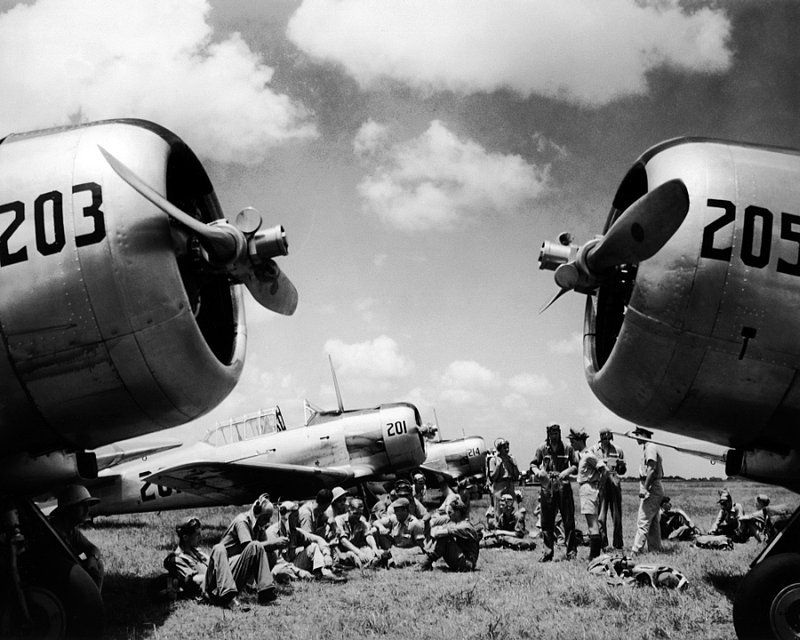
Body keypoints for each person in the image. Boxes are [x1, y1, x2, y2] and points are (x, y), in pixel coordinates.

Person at [164, 516, 275, 608]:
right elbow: (194, 580)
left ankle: (265, 592)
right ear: (185, 537)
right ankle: (227, 595)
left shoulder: (198, 552)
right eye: (197, 535)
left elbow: (221, 565)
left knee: (255, 546)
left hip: (223, 583)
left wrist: (227, 570)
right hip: (208, 591)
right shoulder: (176, 559)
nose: (200, 538)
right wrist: (221, 574)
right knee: (219, 548)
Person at [530, 423, 579, 562]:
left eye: (556, 432)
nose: (554, 435)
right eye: (551, 433)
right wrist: (538, 472)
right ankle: (547, 553)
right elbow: (533, 464)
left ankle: (571, 553)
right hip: (548, 486)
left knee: (568, 520)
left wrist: (566, 471)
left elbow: (575, 465)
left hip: (563, 484)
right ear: (548, 434)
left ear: (559, 433)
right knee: (547, 521)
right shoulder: (542, 448)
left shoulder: (567, 448)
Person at [217, 493, 278, 601]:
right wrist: (274, 543)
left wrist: (275, 546)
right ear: (258, 513)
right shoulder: (242, 522)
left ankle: (255, 588)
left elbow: (263, 548)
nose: (268, 521)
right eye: (266, 517)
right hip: (226, 565)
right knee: (255, 546)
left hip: (239, 561)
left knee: (271, 555)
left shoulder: (259, 526)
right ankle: (264, 590)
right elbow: (250, 548)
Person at [264, 501, 344, 582]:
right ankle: (304, 576)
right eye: (294, 517)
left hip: (292, 565)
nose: (297, 519)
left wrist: (326, 554)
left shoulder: (295, 531)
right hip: (279, 567)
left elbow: (317, 539)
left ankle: (324, 574)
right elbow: (278, 561)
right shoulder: (273, 533)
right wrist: (299, 571)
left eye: (297, 516)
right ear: (287, 518)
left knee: (313, 546)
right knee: (279, 572)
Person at [48, 484, 104, 591]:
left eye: (88, 505)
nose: (87, 510)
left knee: (98, 564)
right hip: (56, 582)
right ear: (69, 509)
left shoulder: (71, 530)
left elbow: (93, 549)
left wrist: (92, 558)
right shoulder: (53, 532)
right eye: (83, 505)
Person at [571, 427, 606, 559]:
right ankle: (594, 554)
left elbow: (604, 470)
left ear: (579, 440)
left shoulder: (588, 455)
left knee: (592, 525)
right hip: (586, 487)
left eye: (573, 441)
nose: (571, 444)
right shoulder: (583, 456)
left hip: (589, 490)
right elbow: (583, 477)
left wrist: (600, 486)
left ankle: (594, 556)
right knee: (591, 524)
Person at [630, 427, 665, 555]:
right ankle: (655, 549)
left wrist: (645, 488)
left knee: (643, 519)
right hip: (653, 485)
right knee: (653, 521)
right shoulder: (648, 447)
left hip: (651, 486)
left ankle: (636, 550)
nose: (636, 437)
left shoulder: (650, 447)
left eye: (638, 434)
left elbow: (651, 468)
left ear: (644, 434)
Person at [421, 497, 480, 572]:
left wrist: (437, 531)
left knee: (444, 538)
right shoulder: (457, 523)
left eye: (450, 513)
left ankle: (425, 563)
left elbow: (438, 533)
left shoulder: (464, 526)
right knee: (443, 536)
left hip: (468, 564)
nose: (448, 515)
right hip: (463, 559)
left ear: (458, 512)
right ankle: (426, 561)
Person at [593, 427, 627, 549]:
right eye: (604, 437)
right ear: (600, 437)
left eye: (608, 437)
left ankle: (618, 544)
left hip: (614, 483)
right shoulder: (594, 450)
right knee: (601, 516)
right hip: (601, 484)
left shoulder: (618, 450)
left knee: (617, 516)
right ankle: (603, 543)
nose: (606, 439)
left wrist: (621, 466)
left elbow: (622, 471)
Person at [371, 497, 427, 568]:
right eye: (395, 510)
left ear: (406, 510)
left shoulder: (415, 524)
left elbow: (421, 547)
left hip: (407, 552)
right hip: (394, 549)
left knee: (396, 562)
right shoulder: (395, 519)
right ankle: (380, 557)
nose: (396, 513)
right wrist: (381, 527)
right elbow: (375, 522)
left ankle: (386, 561)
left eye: (398, 511)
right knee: (374, 530)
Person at [332, 498, 379, 568]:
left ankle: (374, 561)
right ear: (348, 510)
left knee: (368, 550)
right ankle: (367, 564)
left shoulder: (360, 521)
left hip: (356, 549)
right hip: (342, 551)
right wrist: (359, 553)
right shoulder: (339, 520)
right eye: (355, 513)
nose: (358, 516)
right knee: (352, 555)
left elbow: (368, 535)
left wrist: (374, 548)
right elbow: (343, 541)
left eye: (360, 513)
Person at [487, 438, 520, 506]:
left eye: (508, 447)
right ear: (499, 448)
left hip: (510, 486)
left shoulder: (510, 459)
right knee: (500, 509)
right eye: (504, 448)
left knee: (514, 509)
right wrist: (498, 466)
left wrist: (515, 465)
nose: (507, 449)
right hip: (499, 487)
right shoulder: (493, 460)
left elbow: (516, 476)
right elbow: (493, 477)